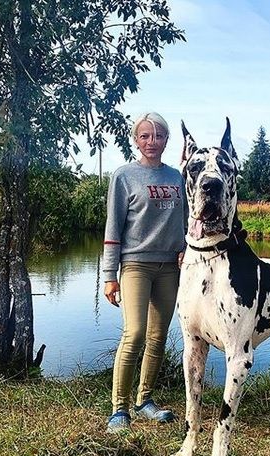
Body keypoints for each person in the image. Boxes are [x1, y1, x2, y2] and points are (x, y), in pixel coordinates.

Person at [103, 112, 187, 433]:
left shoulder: (176, 178)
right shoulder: (124, 176)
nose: (152, 142)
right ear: (136, 140)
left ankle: (145, 401)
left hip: (170, 268)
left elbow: (185, 219)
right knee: (135, 333)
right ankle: (119, 409)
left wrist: (186, 249)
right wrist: (110, 275)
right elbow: (114, 227)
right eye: (145, 136)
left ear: (167, 140)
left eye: (158, 136)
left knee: (157, 336)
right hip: (135, 264)